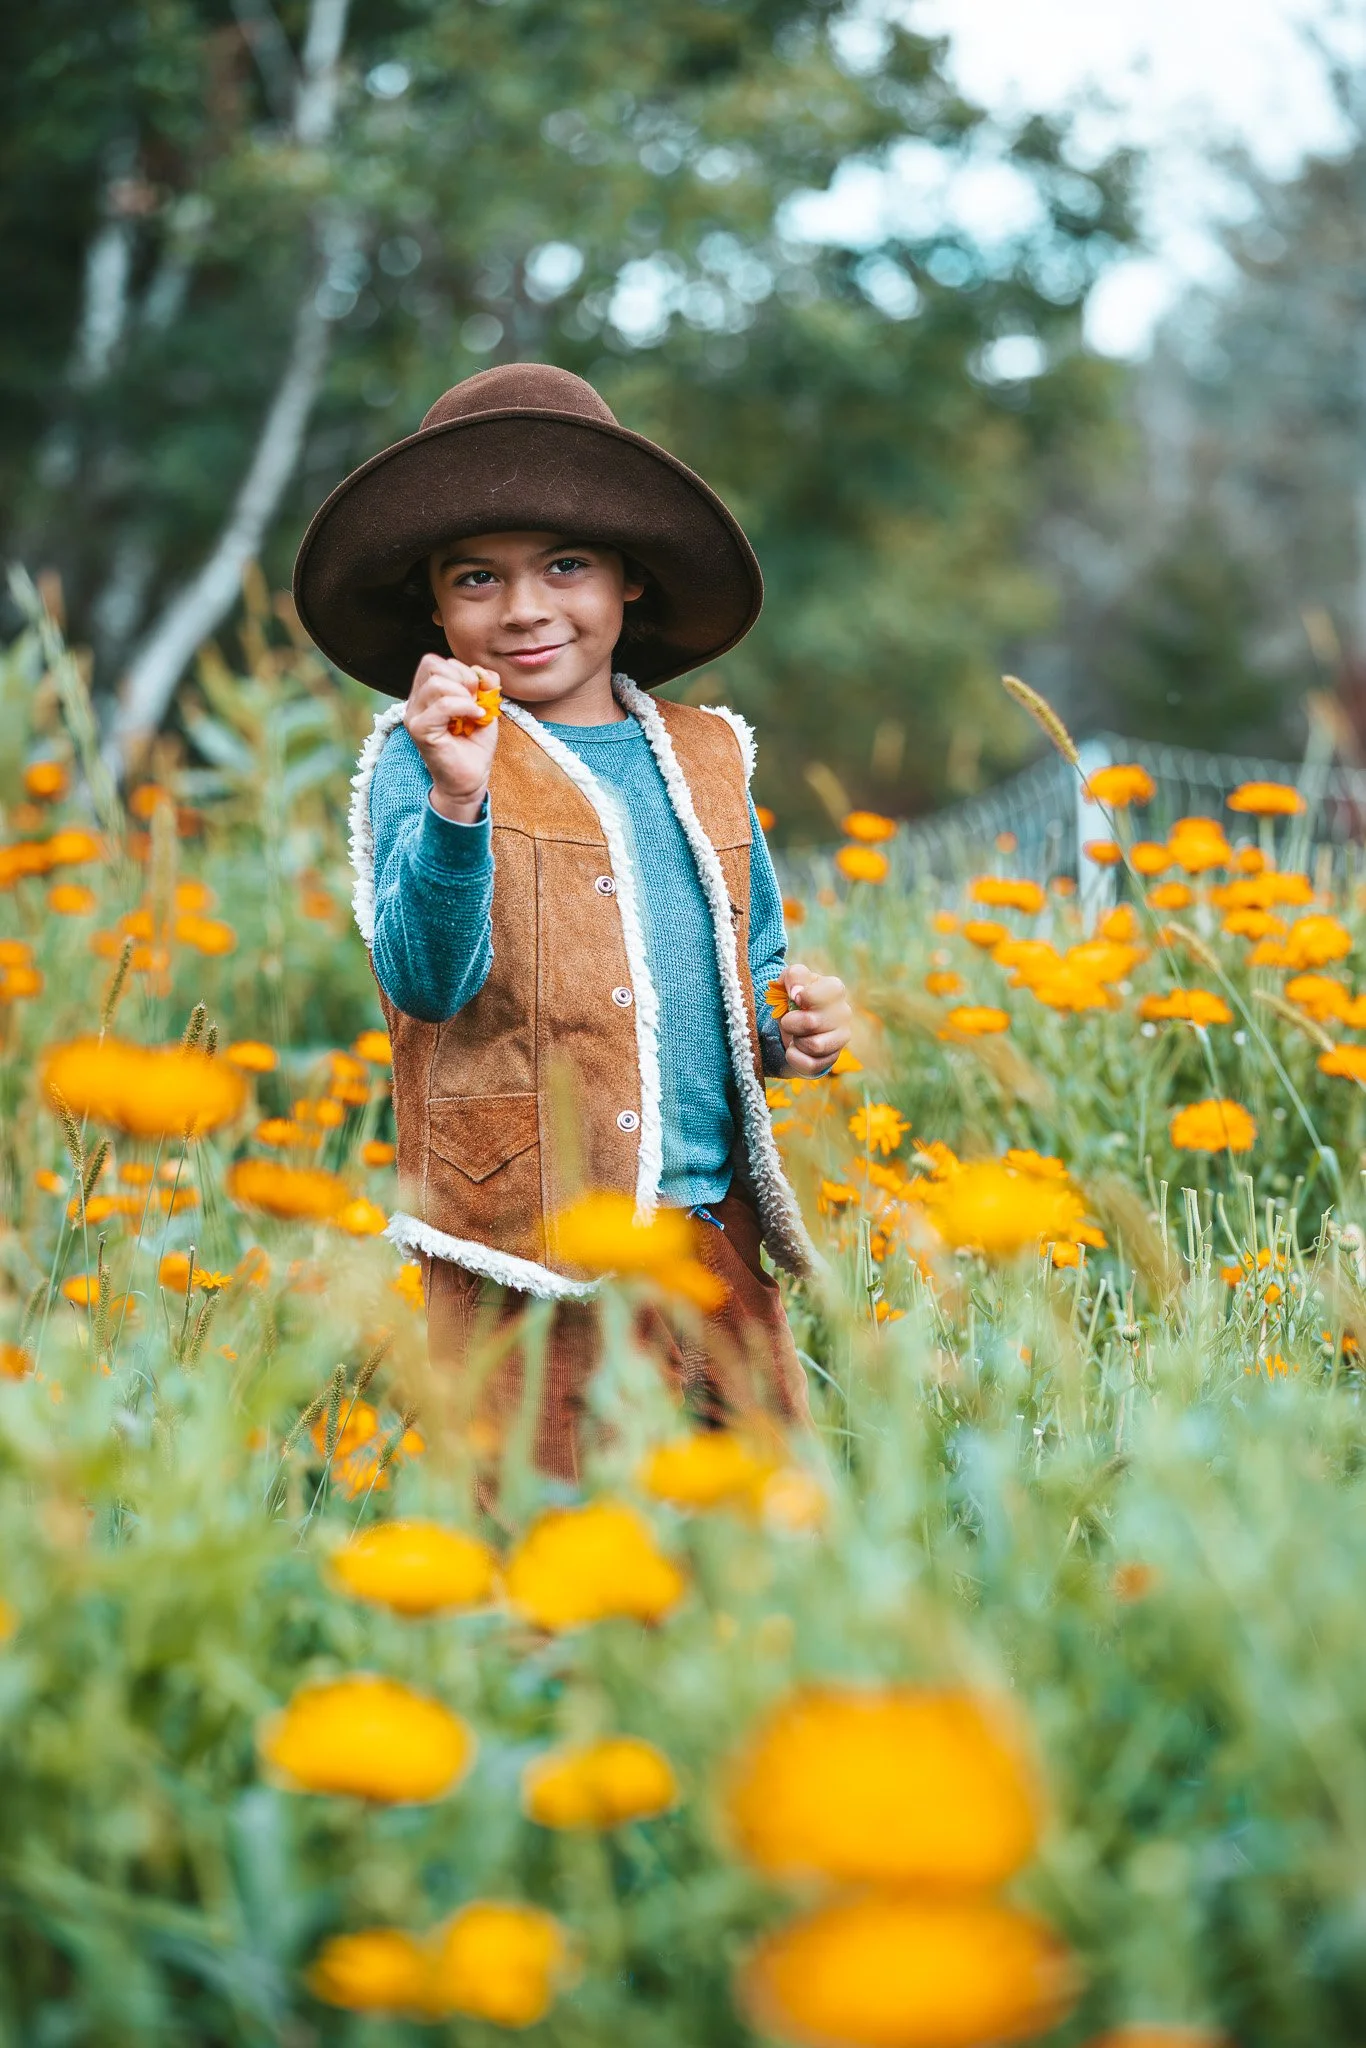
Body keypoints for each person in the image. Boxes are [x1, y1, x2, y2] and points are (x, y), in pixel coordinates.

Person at [293, 362, 852, 1479]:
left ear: (629, 579)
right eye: (476, 578)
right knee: (541, 1548)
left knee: (755, 1547)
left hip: (710, 1230)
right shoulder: (428, 759)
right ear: (437, 609)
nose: (526, 608)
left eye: (565, 565)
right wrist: (459, 799)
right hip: (527, 1254)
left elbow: (750, 968)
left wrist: (791, 1031)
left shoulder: (704, 754)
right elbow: (426, 980)